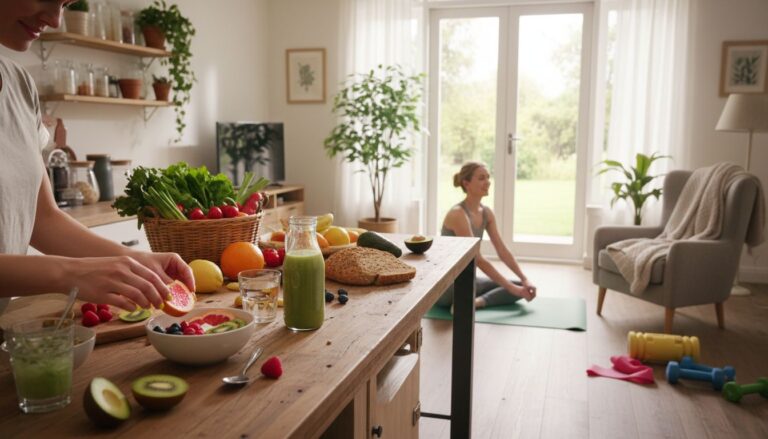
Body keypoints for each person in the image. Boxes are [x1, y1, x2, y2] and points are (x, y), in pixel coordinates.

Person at [0, 0, 194, 314]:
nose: (55, 19)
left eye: (64, 4)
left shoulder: (19, 85)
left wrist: (134, 263)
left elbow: (43, 220)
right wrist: (70, 273)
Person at [438, 162, 536, 309]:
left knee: (521, 287)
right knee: (513, 289)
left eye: (488, 178)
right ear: (466, 183)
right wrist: (513, 290)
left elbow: (502, 250)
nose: (488, 182)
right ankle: (466, 301)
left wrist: (525, 279)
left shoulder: (486, 213)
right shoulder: (458, 213)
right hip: (447, 287)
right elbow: (477, 259)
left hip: (470, 280)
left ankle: (475, 302)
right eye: (481, 178)